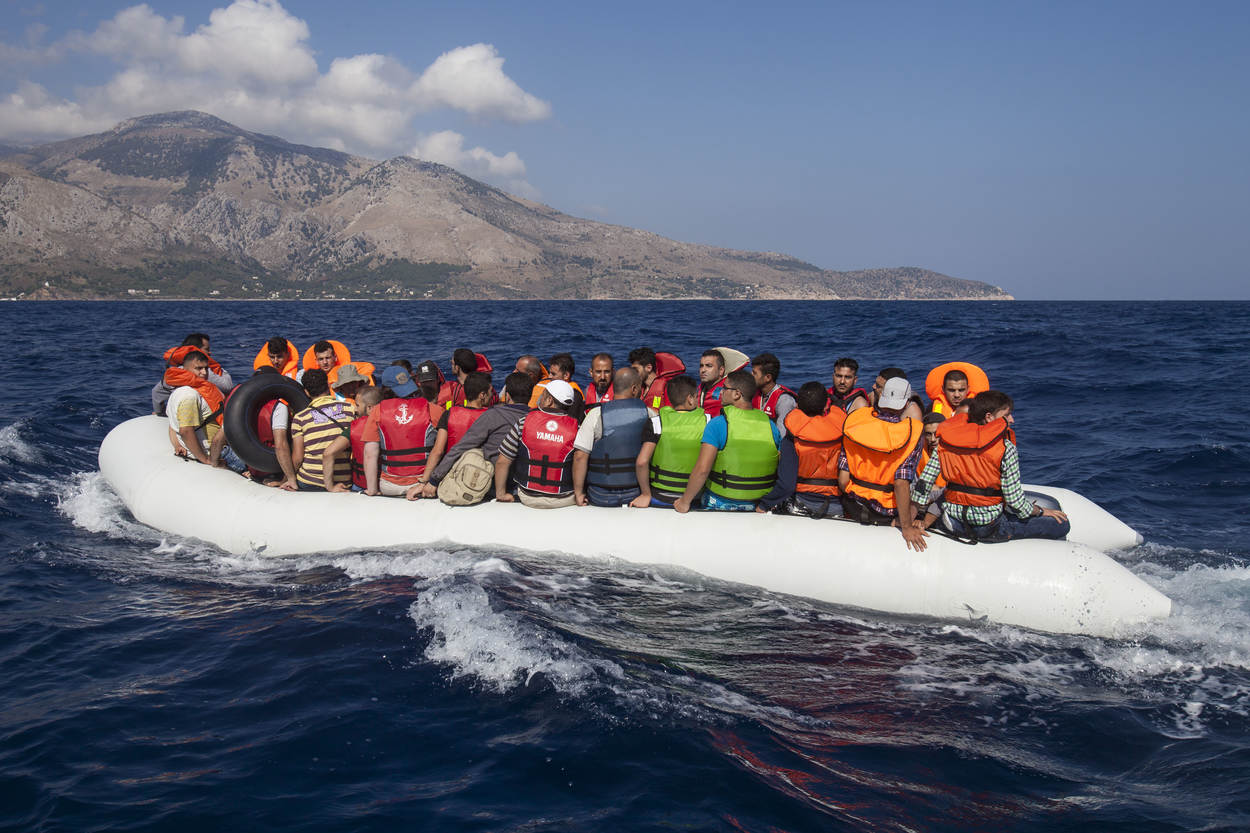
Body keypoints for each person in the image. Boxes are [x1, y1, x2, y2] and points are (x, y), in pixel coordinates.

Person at [913, 390, 1070, 542]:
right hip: (988, 527)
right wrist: (1040, 511)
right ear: (989, 417)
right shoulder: (1005, 448)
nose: (1011, 420)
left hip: (953, 522)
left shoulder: (947, 442)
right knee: (1061, 524)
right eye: (1006, 415)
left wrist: (912, 518)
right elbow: (1015, 502)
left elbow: (923, 483)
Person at [414, 371, 535, 502]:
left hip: (490, 486)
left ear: (507, 395)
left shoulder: (493, 415)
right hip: (525, 486)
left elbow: (461, 447)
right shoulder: (536, 419)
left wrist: (434, 481)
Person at [838, 376, 927, 550]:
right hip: (887, 513)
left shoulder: (855, 422)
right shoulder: (911, 433)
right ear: (906, 403)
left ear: (881, 396)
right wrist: (907, 527)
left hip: (853, 507)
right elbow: (901, 483)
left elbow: (843, 479)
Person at [674, 370, 780, 513]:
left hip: (720, 501)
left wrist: (684, 502)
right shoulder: (771, 426)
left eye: (724, 388)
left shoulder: (718, 424)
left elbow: (702, 470)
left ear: (737, 394)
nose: (720, 392)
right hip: (759, 504)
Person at [757, 382, 846, 517]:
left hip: (802, 503)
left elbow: (787, 485)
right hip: (835, 505)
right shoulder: (842, 434)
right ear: (825, 406)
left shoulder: (793, 437)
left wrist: (764, 504)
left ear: (797, 406)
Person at [496, 379, 579, 509]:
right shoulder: (577, 429)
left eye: (543, 394)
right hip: (564, 499)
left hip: (527, 496)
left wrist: (500, 494)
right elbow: (581, 461)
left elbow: (502, 461)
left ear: (549, 400)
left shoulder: (524, 422)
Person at [409, 371, 494, 498]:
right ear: (482, 395)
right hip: (480, 478)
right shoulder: (493, 417)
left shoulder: (449, 414)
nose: (492, 395)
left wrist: (424, 481)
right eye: (490, 391)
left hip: (451, 476)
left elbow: (437, 451)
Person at [163, 346, 246, 473]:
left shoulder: (178, 391)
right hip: (218, 453)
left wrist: (177, 445)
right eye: (198, 368)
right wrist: (205, 459)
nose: (204, 372)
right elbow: (185, 431)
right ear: (185, 369)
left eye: (206, 368)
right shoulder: (189, 396)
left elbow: (172, 425)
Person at [572, 368, 647, 506]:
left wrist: (578, 492)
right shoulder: (649, 414)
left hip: (600, 494)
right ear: (634, 389)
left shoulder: (595, 414)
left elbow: (580, 456)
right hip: (635, 493)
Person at [630, 375, 705, 507]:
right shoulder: (708, 422)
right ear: (690, 399)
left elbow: (642, 462)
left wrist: (645, 494)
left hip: (661, 495)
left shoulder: (656, 422)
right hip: (695, 497)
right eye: (696, 396)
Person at [290, 369, 355, 491]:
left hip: (309, 481)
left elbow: (298, 458)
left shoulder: (300, 418)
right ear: (328, 386)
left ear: (306, 392)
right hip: (342, 481)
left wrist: (287, 478)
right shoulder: (350, 409)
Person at [320, 386, 384, 493]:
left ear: (370, 408)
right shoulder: (392, 423)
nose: (355, 409)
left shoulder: (354, 428)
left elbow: (328, 453)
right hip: (387, 485)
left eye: (357, 405)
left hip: (361, 485)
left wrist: (330, 487)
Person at [151, 333, 233, 416]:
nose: (210, 352)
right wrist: (222, 371)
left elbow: (156, 392)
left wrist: (160, 413)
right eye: (206, 349)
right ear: (197, 350)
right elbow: (227, 386)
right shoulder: (205, 372)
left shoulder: (174, 373)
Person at [750, 352, 797, 437]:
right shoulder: (754, 394)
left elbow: (782, 436)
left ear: (768, 377)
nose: (751, 375)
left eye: (754, 373)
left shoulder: (784, 400)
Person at [696, 349, 728, 418]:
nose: (703, 370)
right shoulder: (699, 389)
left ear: (721, 370)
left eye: (709, 366)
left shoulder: (728, 392)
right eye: (701, 366)